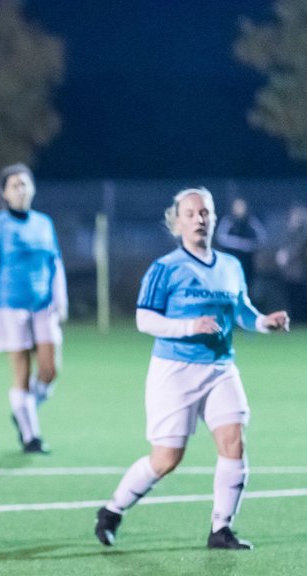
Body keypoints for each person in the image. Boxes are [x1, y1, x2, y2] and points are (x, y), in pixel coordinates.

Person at [94, 187, 289, 551]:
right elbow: (143, 319)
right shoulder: (165, 269)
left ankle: (221, 529)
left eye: (205, 213)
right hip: (175, 370)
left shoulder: (230, 266)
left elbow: (242, 311)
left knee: (234, 441)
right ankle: (111, 510)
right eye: (191, 213)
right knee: (166, 459)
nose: (199, 219)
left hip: (220, 368)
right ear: (177, 222)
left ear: (214, 219)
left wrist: (265, 323)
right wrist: (188, 327)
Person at [0, 163, 66, 454]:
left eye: (25, 184)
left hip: (43, 306)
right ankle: (31, 436)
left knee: (50, 369)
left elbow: (55, 263)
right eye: (14, 185)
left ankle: (24, 410)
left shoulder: (43, 223)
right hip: (8, 307)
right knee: (22, 372)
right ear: (4, 192)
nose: (21, 189)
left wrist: (60, 299)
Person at [275, 204, 307, 325]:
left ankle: (304, 319)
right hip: (289, 270)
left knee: (301, 294)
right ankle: (294, 317)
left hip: (301, 270)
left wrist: (287, 256)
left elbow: (302, 249)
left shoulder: (305, 233)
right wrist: (281, 255)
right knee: (291, 294)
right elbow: (283, 245)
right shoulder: (288, 232)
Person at [214, 196, 267, 284]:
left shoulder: (251, 220)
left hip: (247, 262)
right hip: (230, 261)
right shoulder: (228, 220)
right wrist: (238, 243)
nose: (239, 209)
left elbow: (262, 238)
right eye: (237, 206)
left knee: (247, 285)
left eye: (241, 206)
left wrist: (249, 245)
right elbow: (220, 237)